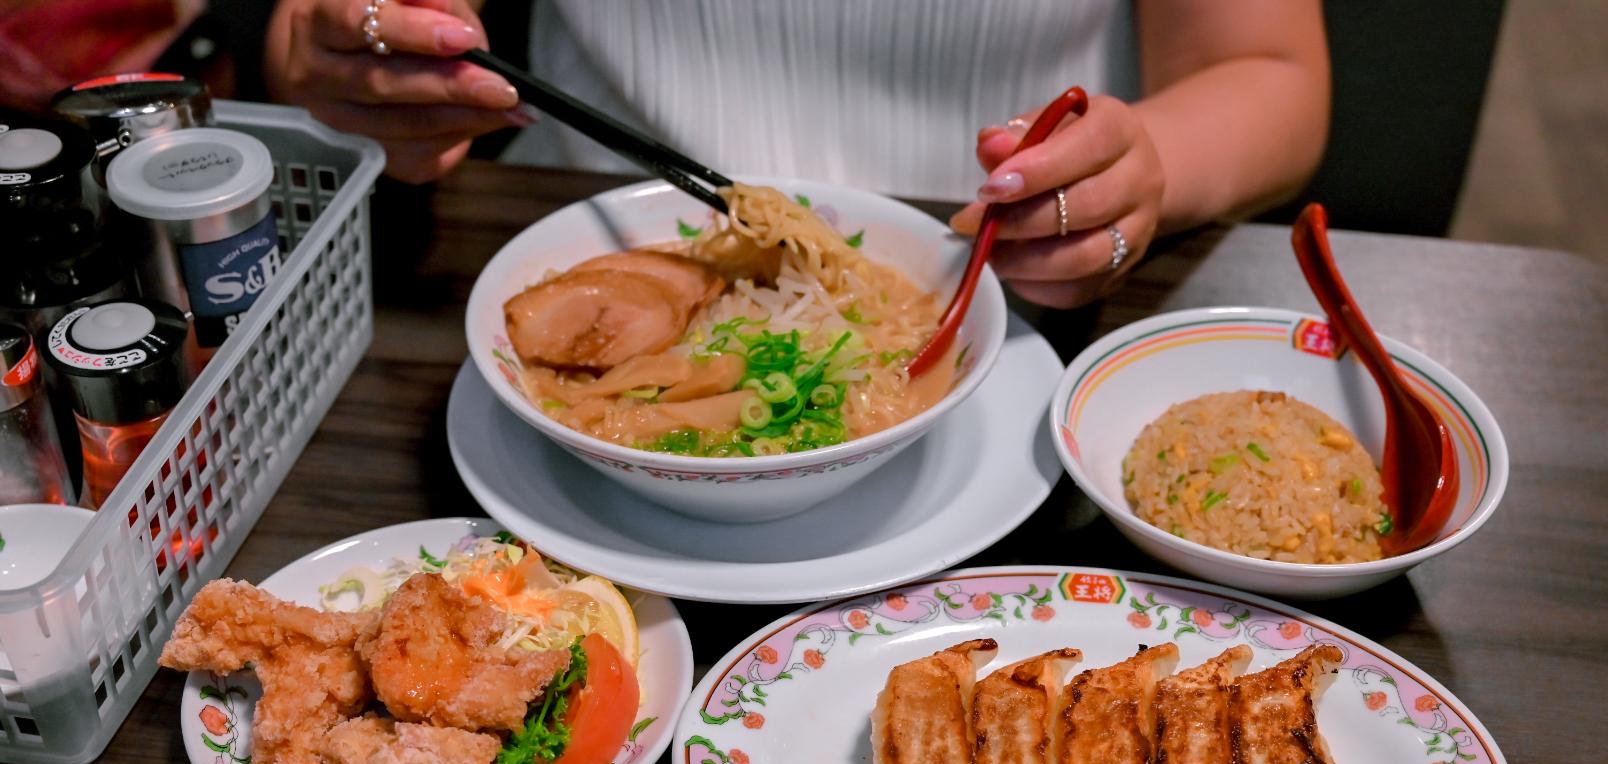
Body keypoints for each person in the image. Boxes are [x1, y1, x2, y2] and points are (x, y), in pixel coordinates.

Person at [262, 0, 1328, 308]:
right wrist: (336, 53)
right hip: (596, 264)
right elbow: (342, 24)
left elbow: (1272, 70)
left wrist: (1135, 174)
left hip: (1000, 293)